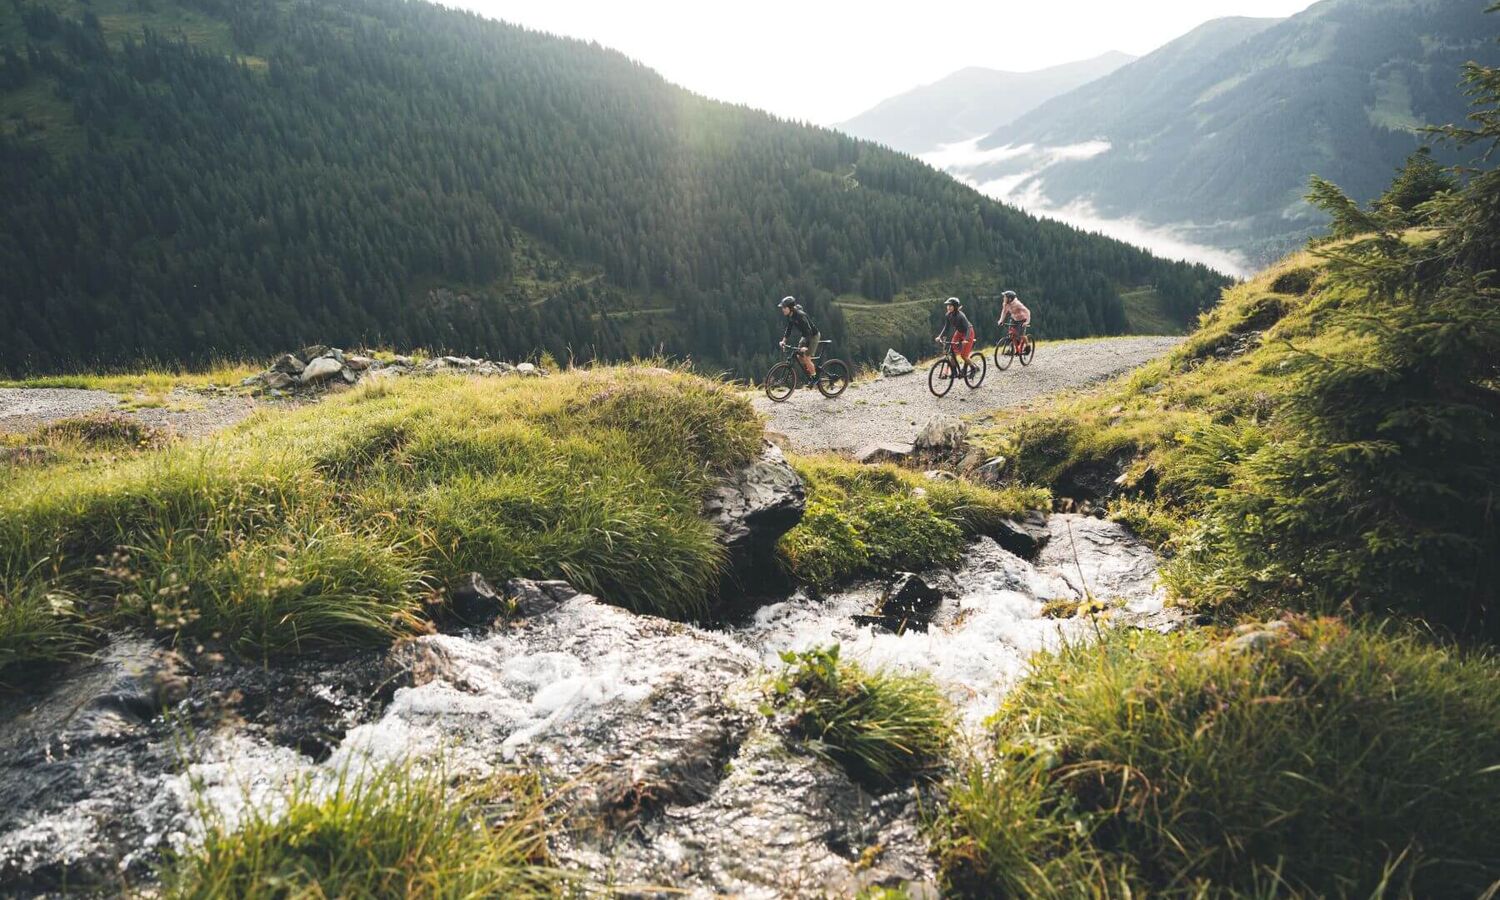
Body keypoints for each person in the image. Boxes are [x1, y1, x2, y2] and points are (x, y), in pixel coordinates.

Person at [778, 296, 820, 384]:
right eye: (782, 307)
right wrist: (784, 341)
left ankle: (815, 378)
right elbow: (788, 329)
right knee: (799, 357)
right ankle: (813, 368)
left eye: (784, 307)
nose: (783, 309)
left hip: (813, 335)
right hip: (805, 335)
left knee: (806, 357)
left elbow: (809, 331)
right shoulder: (790, 315)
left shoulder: (800, 315)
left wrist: (805, 346)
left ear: (790, 308)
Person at [936, 297, 976, 375]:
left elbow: (967, 328)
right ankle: (954, 372)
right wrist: (940, 336)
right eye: (948, 305)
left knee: (963, 355)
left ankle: (973, 368)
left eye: (950, 306)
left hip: (968, 332)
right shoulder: (948, 315)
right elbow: (946, 327)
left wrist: (966, 339)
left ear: (955, 306)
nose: (948, 307)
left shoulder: (960, 316)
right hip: (959, 332)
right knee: (952, 352)